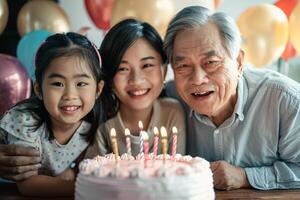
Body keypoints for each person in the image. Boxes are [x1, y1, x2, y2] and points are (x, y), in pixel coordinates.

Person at [164, 6, 300, 191]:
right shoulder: (169, 100)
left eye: (211, 63)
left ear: (238, 62)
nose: (197, 79)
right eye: (183, 66)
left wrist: (246, 177)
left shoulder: (285, 101)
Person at [0, 32, 105, 196]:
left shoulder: (92, 124)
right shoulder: (25, 120)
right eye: (58, 83)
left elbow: (79, 164)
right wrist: (85, 188)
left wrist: (71, 172)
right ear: (39, 89)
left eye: (81, 83)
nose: (70, 95)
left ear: (98, 89)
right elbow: (28, 184)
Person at [86, 18, 186, 158]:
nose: (136, 80)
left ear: (163, 70)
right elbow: (92, 174)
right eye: (122, 69)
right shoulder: (102, 122)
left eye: (147, 65)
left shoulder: (172, 113)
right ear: (109, 76)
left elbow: (177, 173)